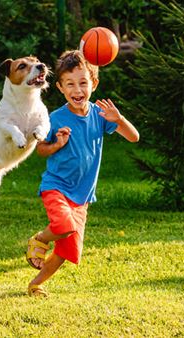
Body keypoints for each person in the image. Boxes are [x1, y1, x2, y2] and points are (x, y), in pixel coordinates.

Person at [25, 50, 140, 297]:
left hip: (82, 196)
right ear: (60, 87)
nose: (77, 90)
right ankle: (40, 240)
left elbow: (134, 137)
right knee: (63, 226)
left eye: (83, 83)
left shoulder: (101, 116)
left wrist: (119, 119)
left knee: (67, 251)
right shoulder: (55, 118)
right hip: (56, 186)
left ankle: (36, 284)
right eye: (70, 84)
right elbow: (41, 150)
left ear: (94, 84)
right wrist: (56, 144)